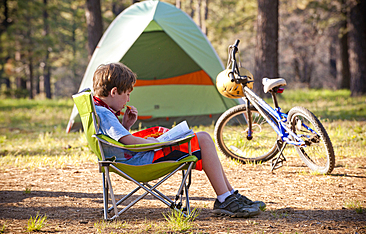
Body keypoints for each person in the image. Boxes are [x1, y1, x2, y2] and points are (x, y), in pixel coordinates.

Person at [92, 62, 265, 218]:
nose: (128, 100)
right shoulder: (105, 113)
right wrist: (160, 143)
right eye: (127, 94)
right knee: (203, 139)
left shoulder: (99, 109)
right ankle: (226, 198)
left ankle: (229, 195)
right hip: (141, 161)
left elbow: (118, 142)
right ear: (114, 92)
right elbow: (129, 142)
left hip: (133, 159)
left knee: (202, 138)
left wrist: (126, 126)